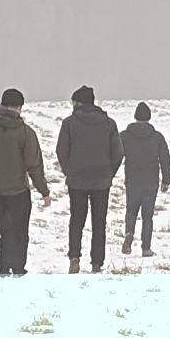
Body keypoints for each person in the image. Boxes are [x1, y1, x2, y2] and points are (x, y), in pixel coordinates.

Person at [0, 87, 51, 279]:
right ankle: (13, 268)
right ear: (19, 108)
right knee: (16, 232)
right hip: (17, 194)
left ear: (2, 105)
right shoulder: (26, 133)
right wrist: (44, 191)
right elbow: (34, 165)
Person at [55, 86, 123, 271]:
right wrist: (109, 173)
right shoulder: (109, 124)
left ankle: (74, 258)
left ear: (78, 103)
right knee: (99, 222)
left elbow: (61, 150)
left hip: (77, 181)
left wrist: (68, 170)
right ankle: (96, 263)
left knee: (76, 220)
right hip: (101, 182)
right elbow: (118, 153)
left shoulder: (69, 123)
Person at [119, 101, 170, 258]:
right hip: (150, 181)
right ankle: (146, 248)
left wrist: (110, 173)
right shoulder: (157, 137)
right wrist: (166, 179)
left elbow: (116, 155)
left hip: (132, 179)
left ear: (135, 117)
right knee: (147, 215)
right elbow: (165, 158)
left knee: (131, 210)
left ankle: (129, 233)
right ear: (149, 117)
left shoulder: (125, 136)